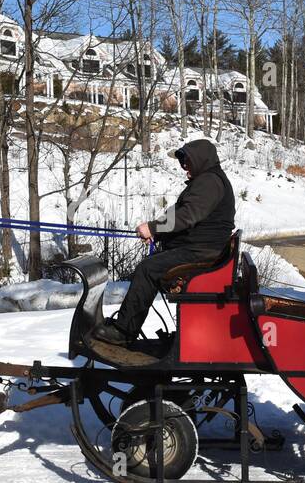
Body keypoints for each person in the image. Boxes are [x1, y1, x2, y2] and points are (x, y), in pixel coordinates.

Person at [93, 138, 235, 346]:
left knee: (147, 269)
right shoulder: (209, 180)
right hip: (203, 250)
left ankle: (124, 332)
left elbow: (187, 215)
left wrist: (153, 228)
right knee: (151, 266)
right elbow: (183, 216)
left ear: (201, 160)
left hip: (202, 252)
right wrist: (158, 233)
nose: (184, 166)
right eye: (182, 162)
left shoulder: (209, 182)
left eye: (187, 161)